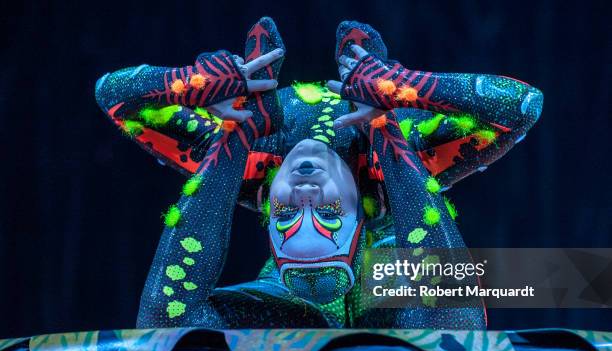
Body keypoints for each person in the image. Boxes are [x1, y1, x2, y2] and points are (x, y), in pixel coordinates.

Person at [94, 18, 542, 329]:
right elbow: (521, 106)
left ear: (268, 206)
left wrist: (193, 86)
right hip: (385, 280)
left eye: (289, 212)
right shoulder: (388, 172)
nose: (306, 195)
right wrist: (395, 97)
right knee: (535, 284)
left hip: (294, 293)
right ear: (360, 209)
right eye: (328, 210)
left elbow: (112, 96)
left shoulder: (255, 166)